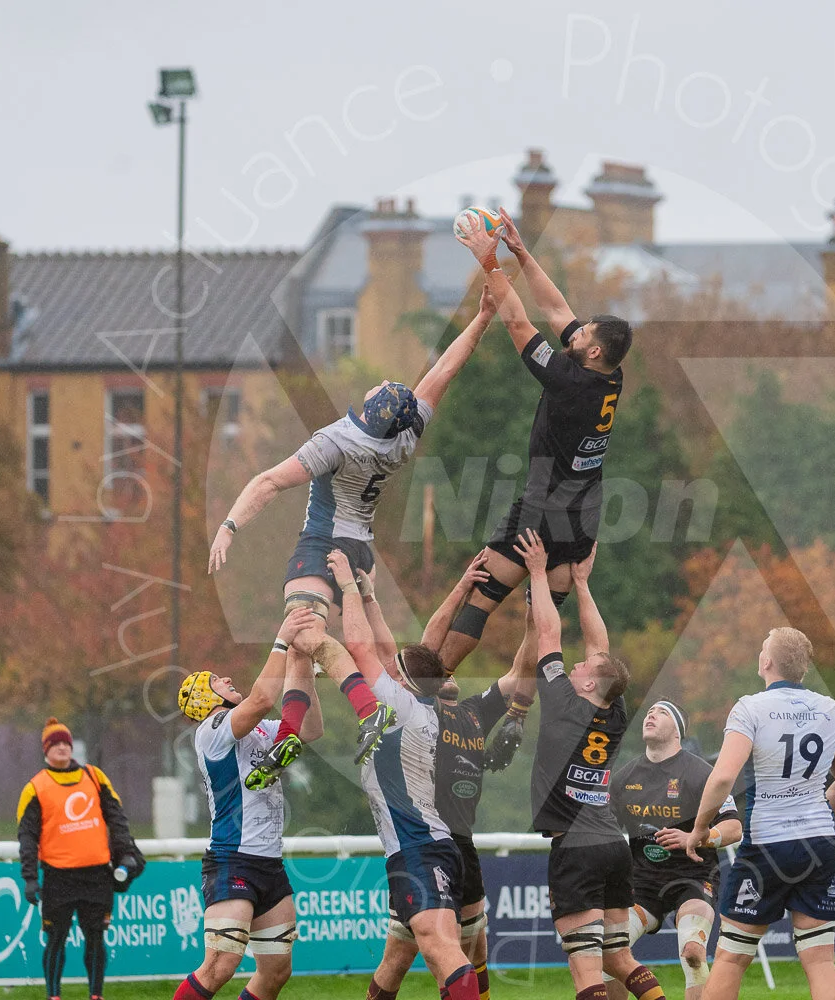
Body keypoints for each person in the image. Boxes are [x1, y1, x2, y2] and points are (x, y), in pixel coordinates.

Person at [207, 285, 498, 769]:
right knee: (301, 648)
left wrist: (230, 525)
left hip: (324, 544)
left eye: (382, 387)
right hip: (363, 551)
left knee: (303, 632)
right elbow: (445, 369)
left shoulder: (337, 441)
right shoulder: (406, 434)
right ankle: (289, 736)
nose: (382, 381)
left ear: (371, 408)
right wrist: (483, 316)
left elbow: (269, 481)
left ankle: (367, 710)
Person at [435, 210, 633, 693]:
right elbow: (558, 308)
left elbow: (518, 320)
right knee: (539, 618)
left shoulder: (566, 379)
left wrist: (489, 262)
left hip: (543, 507)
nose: (575, 332)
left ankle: (433, 683)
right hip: (583, 514)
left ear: (591, 352)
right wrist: (522, 254)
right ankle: (518, 708)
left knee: (482, 596)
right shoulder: (609, 374)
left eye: (583, 334)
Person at [324, 548, 483, 1000]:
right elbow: (392, 651)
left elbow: (361, 648)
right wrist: (370, 598)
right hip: (426, 847)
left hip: (419, 850)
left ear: (403, 681)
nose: (387, 664)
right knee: (395, 962)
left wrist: (347, 586)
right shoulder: (416, 703)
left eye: (394, 668)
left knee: (441, 948)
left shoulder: (398, 706)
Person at [518, 531, 666, 1000]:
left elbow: (548, 634)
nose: (577, 667)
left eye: (582, 670)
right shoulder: (614, 710)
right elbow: (599, 649)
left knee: (587, 972)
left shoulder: (564, 703)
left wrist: (538, 573)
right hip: (612, 846)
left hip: (577, 849)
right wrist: (581, 583)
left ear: (586, 686)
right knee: (619, 959)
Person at [681, 628, 835, 1000]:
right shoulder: (831, 709)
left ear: (766, 661)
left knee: (731, 959)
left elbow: (723, 778)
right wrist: (814, 812)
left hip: (767, 845)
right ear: (803, 668)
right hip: (818, 844)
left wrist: (699, 828)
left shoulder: (750, 707)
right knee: (820, 960)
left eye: (763, 648)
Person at [366, 551, 508, 1000]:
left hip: (433, 842)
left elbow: (420, 652)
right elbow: (422, 650)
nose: (447, 671)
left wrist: (361, 597)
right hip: (426, 841)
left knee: (452, 946)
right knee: (409, 955)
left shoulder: (429, 706)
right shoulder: (420, 705)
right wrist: (463, 586)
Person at [169, 607, 323, 1000]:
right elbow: (264, 697)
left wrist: (301, 662)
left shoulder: (257, 730)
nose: (226, 679)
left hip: (269, 864)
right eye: (216, 681)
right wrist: (282, 639)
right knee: (220, 966)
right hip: (232, 861)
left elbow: (310, 729)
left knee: (275, 973)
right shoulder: (212, 731)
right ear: (205, 698)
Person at [609, 701, 742, 1000]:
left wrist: (697, 837)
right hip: (642, 883)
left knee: (693, 952)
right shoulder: (625, 777)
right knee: (611, 950)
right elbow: (606, 830)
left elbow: (734, 828)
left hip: (693, 878)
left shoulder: (701, 774)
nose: (651, 714)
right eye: (649, 711)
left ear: (678, 731)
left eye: (663, 712)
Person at [17, 718, 145, 1000]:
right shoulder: (35, 787)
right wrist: (30, 878)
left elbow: (117, 819)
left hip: (96, 875)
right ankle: (53, 995)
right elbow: (27, 838)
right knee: (56, 939)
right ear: (46, 750)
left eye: (66, 742)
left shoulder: (95, 777)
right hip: (57, 877)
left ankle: (96, 995)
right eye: (55, 744)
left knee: (96, 938)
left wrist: (126, 853)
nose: (62, 747)